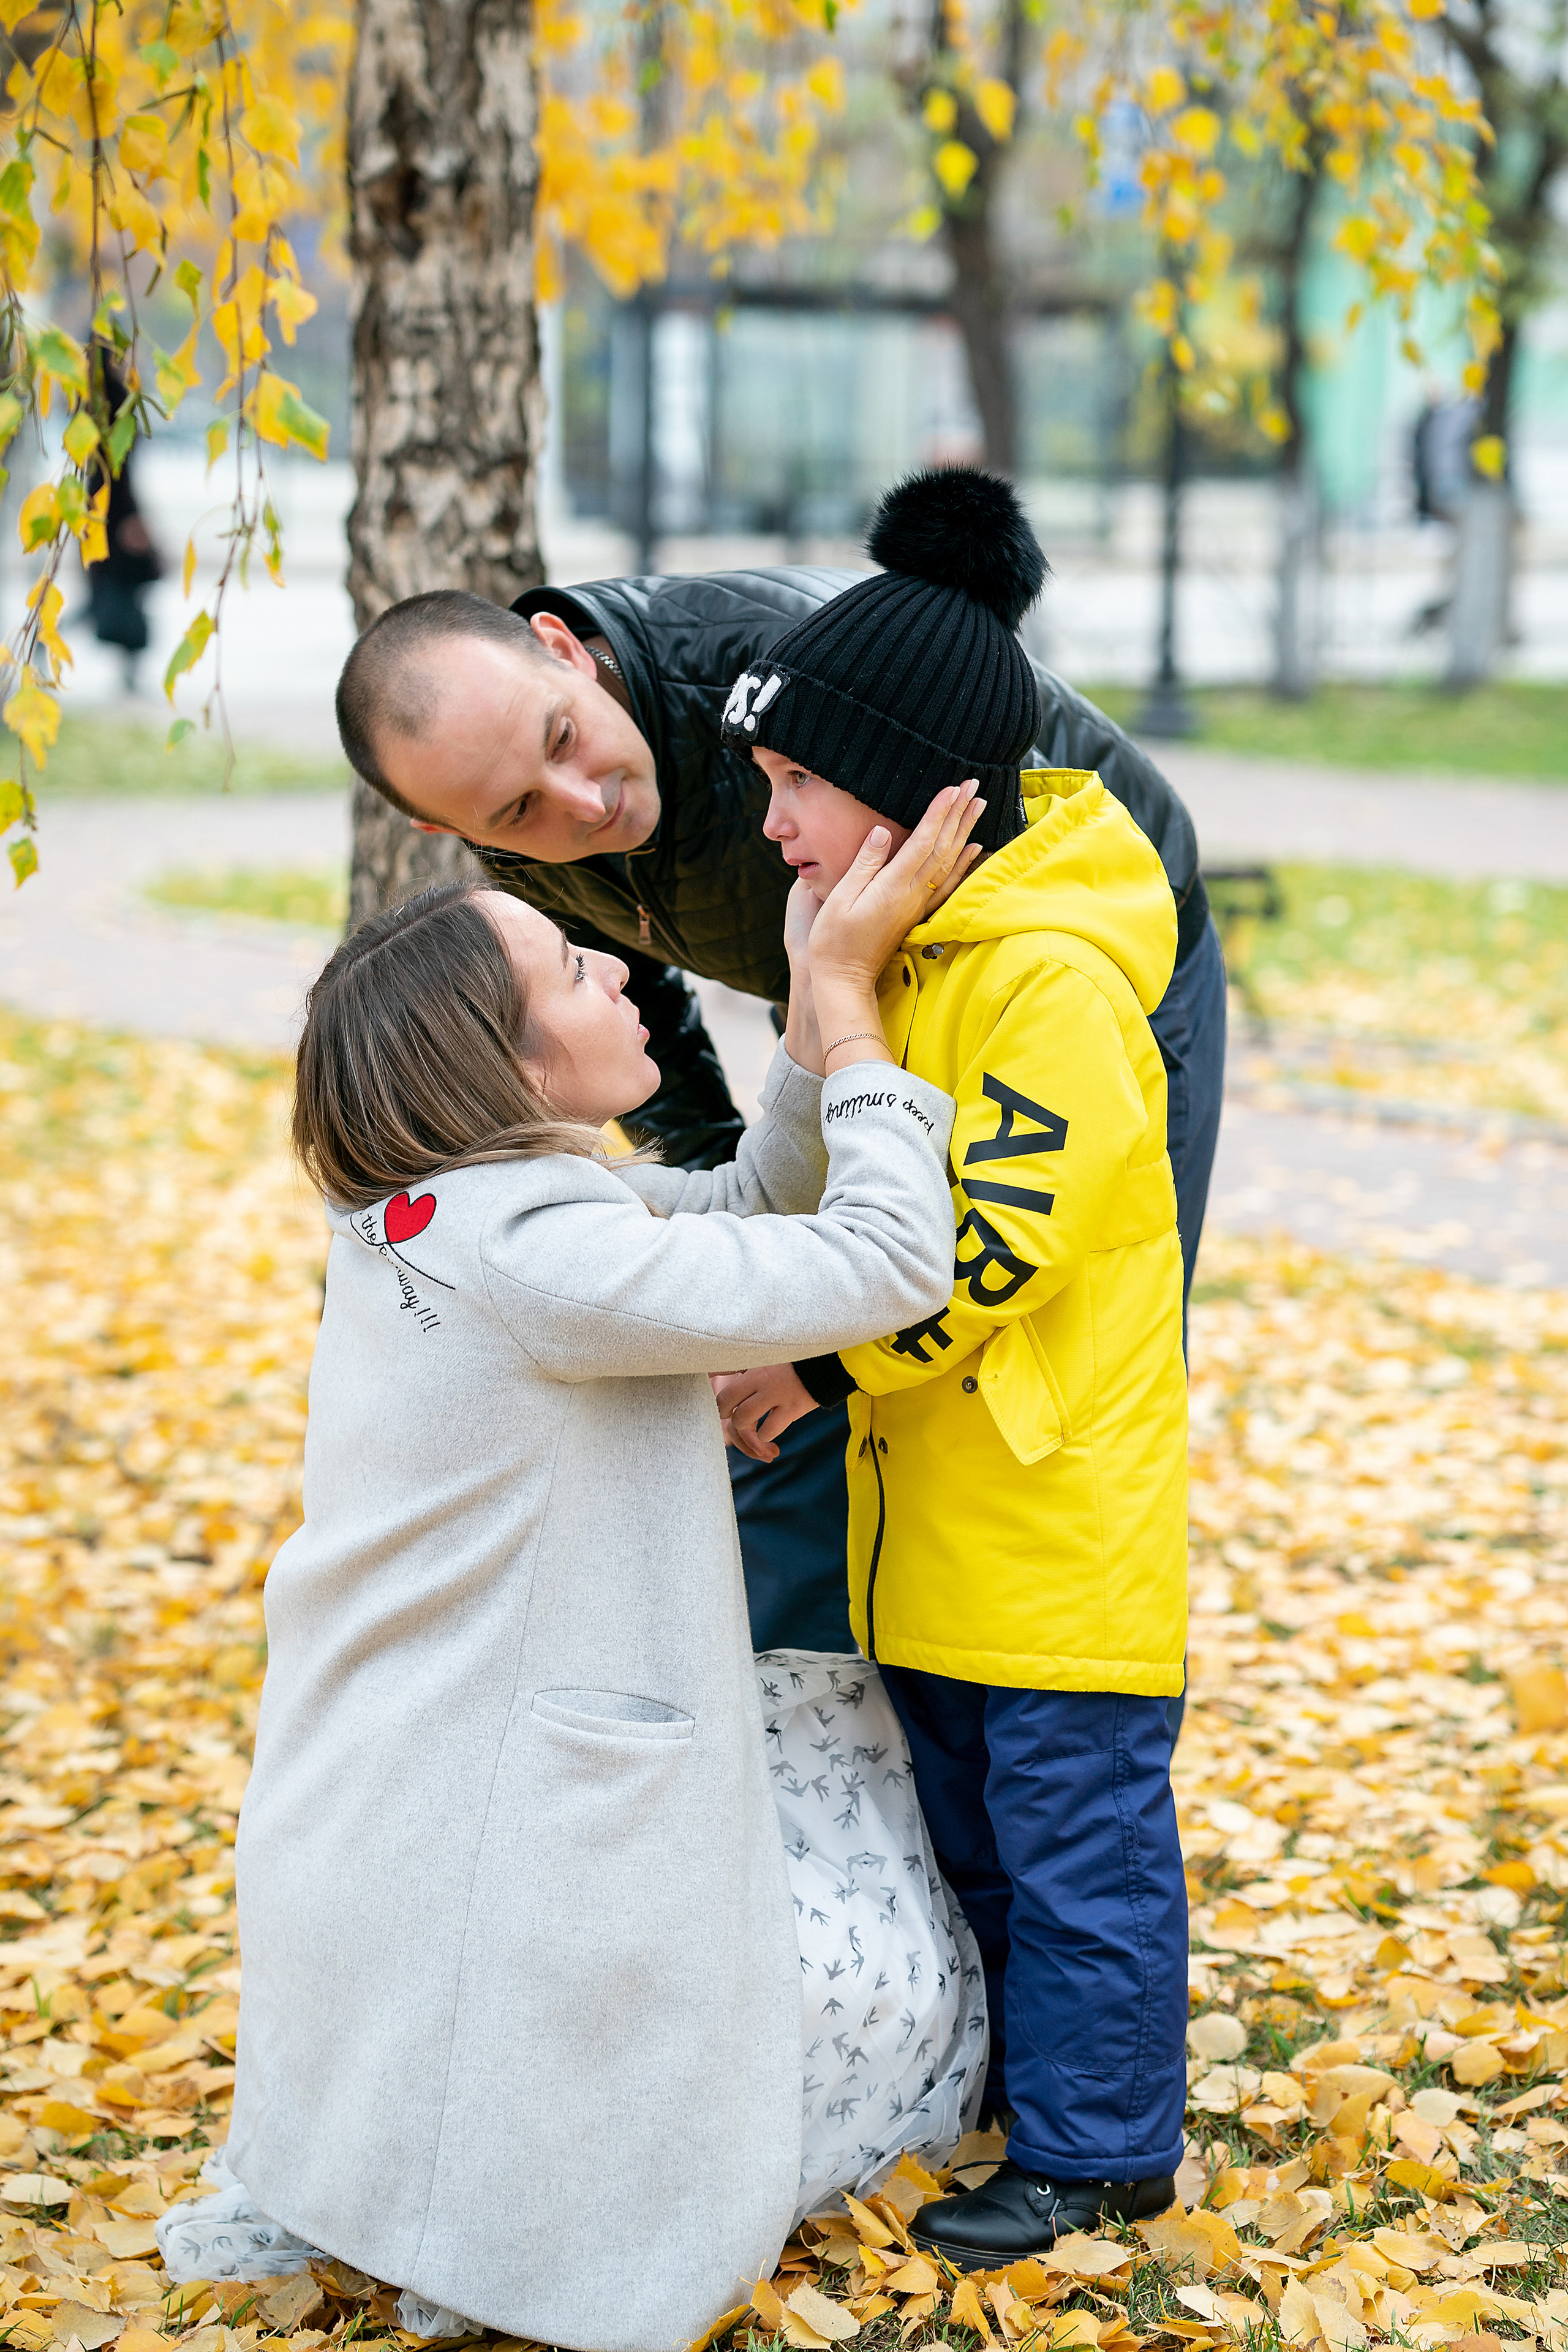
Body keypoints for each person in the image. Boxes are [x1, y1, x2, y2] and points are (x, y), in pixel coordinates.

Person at [165, 792, 986, 2351]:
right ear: (508, 1065)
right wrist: (861, 1036)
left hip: (384, 1780)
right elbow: (882, 1264)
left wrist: (803, 1040)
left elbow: (739, 1213)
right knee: (885, 2010)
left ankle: (408, 2189)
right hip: (483, 1802)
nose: (617, 975)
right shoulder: (546, 1256)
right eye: (570, 971)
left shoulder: (439, 1218)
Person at [333, 525, 1224, 1659]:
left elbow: (999, 766)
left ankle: (1070, 1704)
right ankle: (830, 1717)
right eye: (515, 813)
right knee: (805, 1339)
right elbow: (650, 1026)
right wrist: (736, 1261)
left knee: (1035, 1331)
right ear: (444, 827)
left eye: (566, 738)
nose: (583, 802)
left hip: (1058, 959)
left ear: (563, 649)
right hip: (858, 983)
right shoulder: (506, 818)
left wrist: (814, 1319)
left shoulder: (769, 666)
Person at [714, 467, 1188, 2262]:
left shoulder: (1048, 975)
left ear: (923, 793)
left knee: (1079, 1862)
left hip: (1053, 1515)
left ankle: (1103, 2147)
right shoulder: (901, 959)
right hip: (948, 1522)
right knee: (983, 1842)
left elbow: (985, 1240)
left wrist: (820, 1375)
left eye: (794, 790)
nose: (768, 827)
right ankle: (1021, 2112)